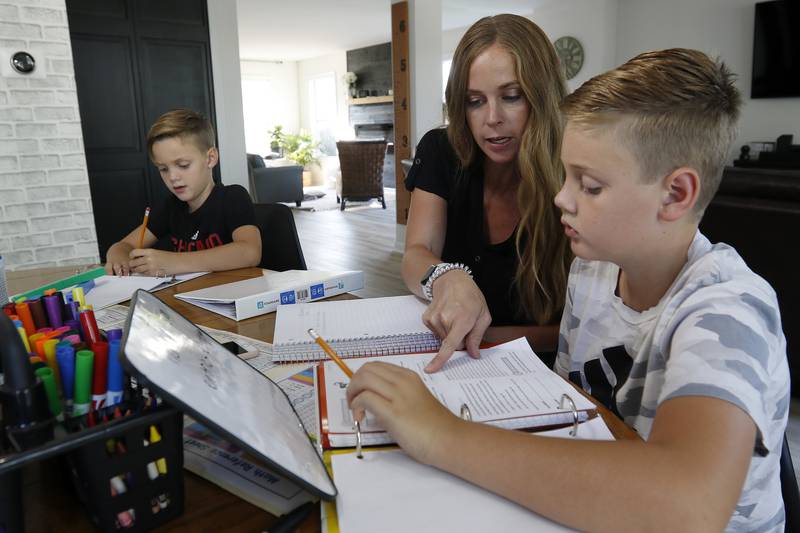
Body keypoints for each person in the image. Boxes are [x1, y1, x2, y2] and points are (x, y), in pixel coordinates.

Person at [348, 48, 789, 531]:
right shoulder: (594, 271)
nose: (561, 197)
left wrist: (441, 434)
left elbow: (688, 505)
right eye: (566, 175)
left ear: (675, 194)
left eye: (590, 185)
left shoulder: (729, 308)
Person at [403, 15, 571, 372]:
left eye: (511, 97)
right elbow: (416, 254)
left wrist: (480, 334)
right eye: (474, 101)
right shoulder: (441, 149)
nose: (491, 118)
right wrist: (446, 276)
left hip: (539, 371)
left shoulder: (574, 170)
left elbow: (577, 330)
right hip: (457, 359)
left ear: (542, 96)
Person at [105, 109, 261, 276]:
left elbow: (250, 252)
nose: (172, 177)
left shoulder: (232, 197)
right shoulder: (171, 207)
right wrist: (118, 256)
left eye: (183, 165)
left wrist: (174, 262)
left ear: (210, 158)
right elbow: (123, 246)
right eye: (163, 169)